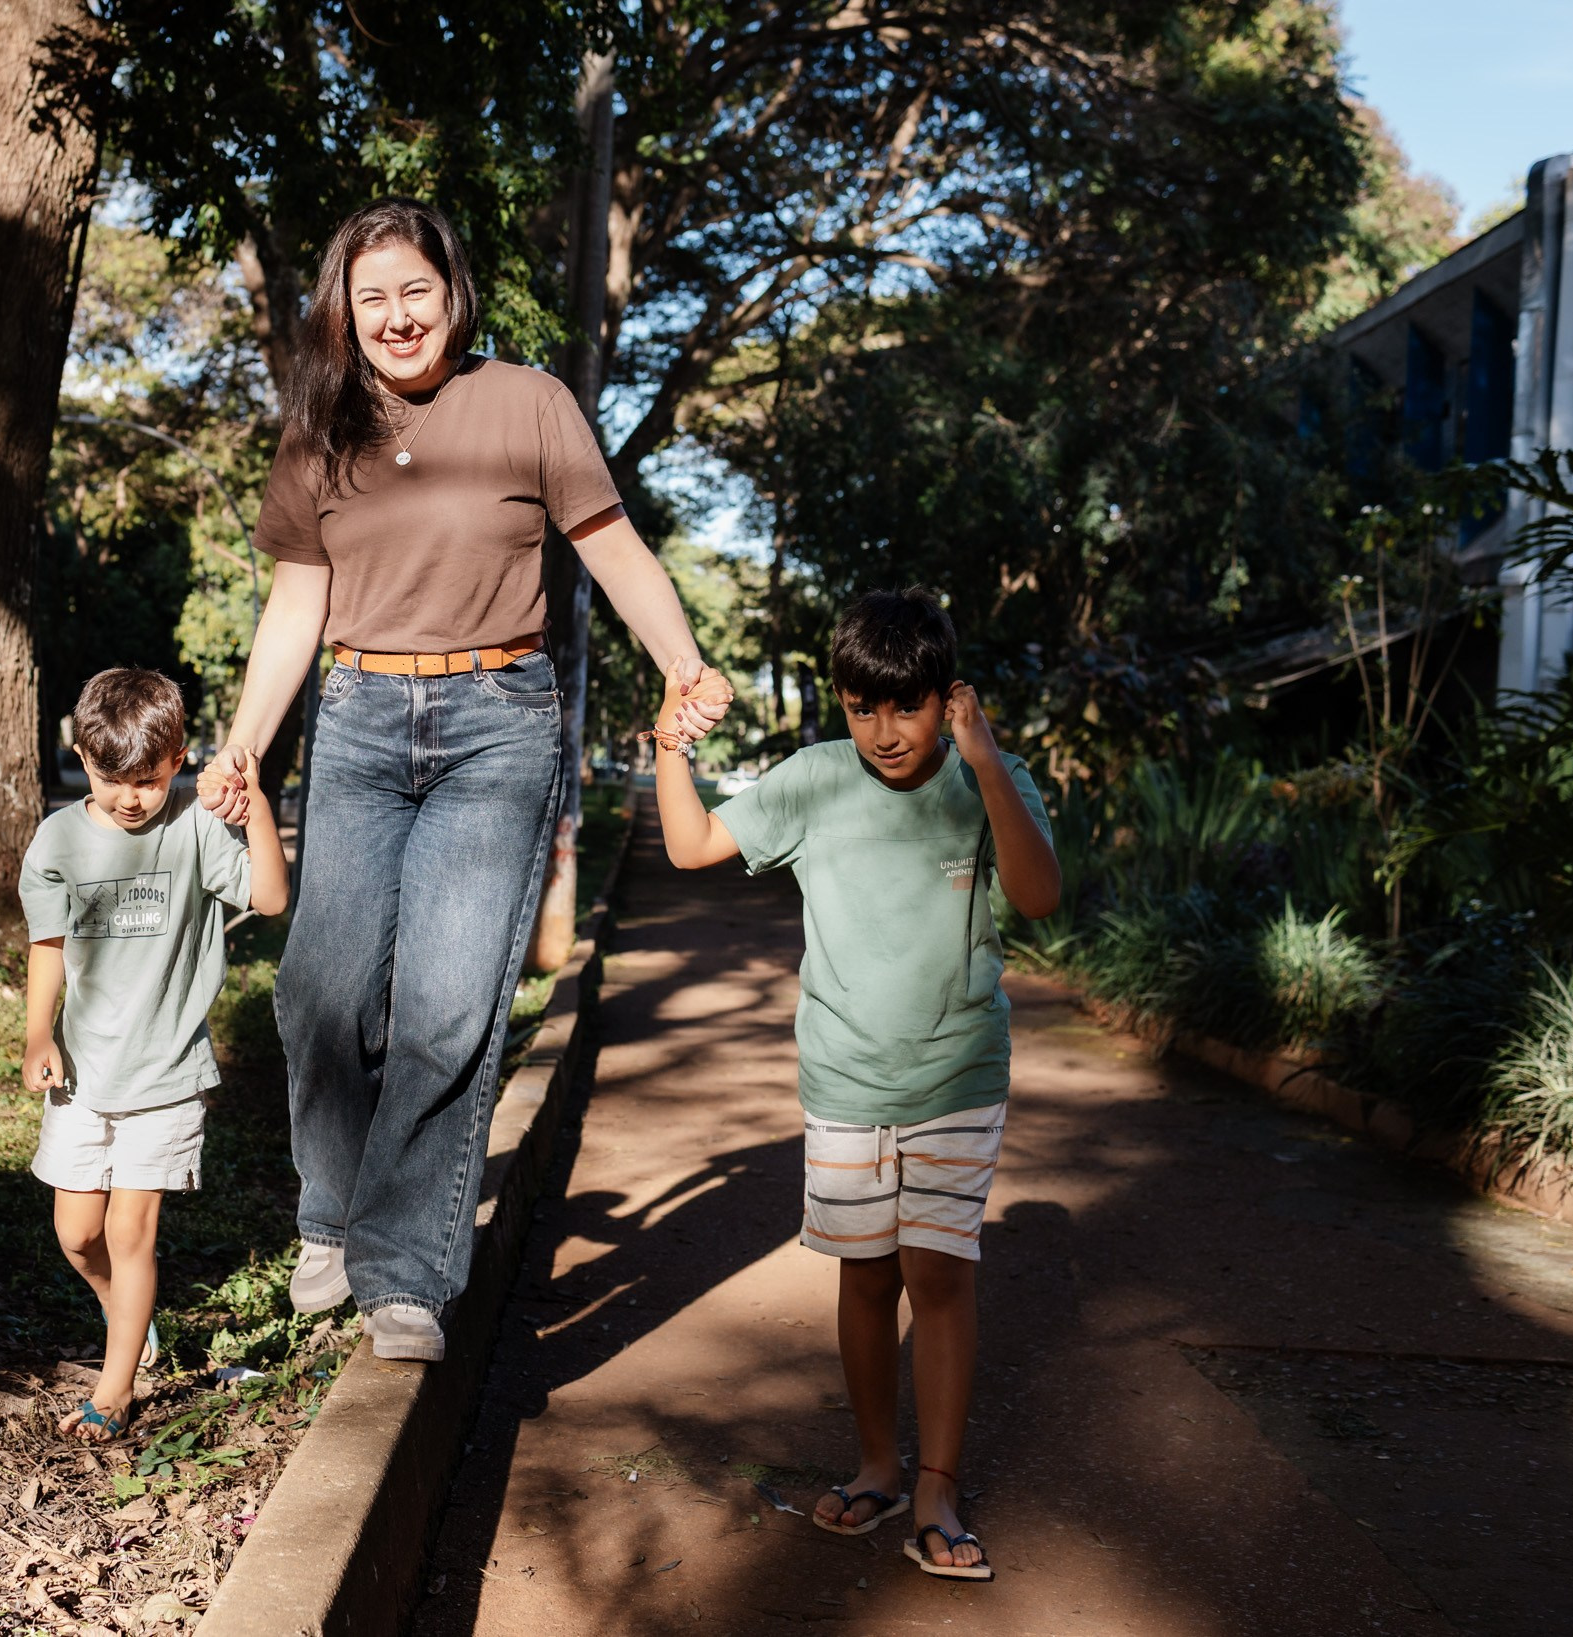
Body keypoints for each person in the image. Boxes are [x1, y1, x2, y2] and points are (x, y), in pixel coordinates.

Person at [195, 196, 732, 1363]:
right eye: (369, 296)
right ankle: (330, 1217)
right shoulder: (318, 428)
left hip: (498, 723)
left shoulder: (528, 401)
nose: (394, 317)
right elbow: (297, 601)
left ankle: (406, 1276)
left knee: (446, 1007)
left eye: (414, 292)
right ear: (343, 309)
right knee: (318, 995)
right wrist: (242, 742)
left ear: (453, 292)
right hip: (358, 721)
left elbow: (608, 543)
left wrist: (684, 665)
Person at [648, 589, 1061, 1581]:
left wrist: (985, 760)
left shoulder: (983, 781)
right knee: (865, 1274)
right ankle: (878, 1463)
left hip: (956, 1073)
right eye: (859, 708)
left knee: (938, 1274)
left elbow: (1040, 896)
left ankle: (937, 1485)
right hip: (841, 1081)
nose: (882, 732)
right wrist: (669, 749)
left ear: (946, 698)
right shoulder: (813, 782)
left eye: (905, 707)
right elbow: (692, 845)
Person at [18, 668, 290, 1440]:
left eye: (147, 778)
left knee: (131, 1234)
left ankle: (116, 1388)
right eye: (111, 779)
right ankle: (128, 1323)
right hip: (83, 1074)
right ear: (80, 757)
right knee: (77, 1234)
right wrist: (39, 1033)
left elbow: (270, 898)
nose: (130, 797)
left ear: (177, 758)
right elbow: (46, 944)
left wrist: (255, 806)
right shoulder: (59, 840)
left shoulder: (196, 827)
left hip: (168, 1073)